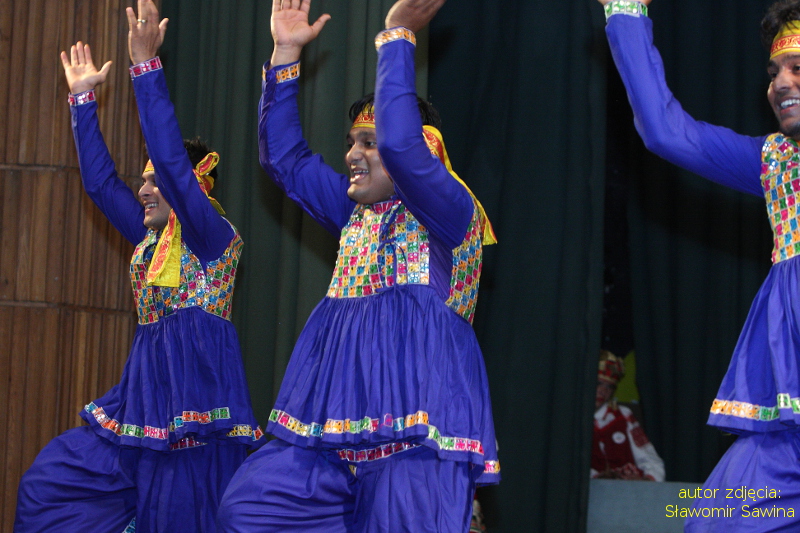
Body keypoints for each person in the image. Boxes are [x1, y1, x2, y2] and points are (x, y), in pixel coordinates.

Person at [217, 0, 499, 531]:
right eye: (351, 143)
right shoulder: (355, 216)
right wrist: (285, 54)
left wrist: (397, 36)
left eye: (368, 143)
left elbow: (401, 145)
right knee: (249, 509)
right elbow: (285, 160)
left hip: (417, 435)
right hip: (333, 431)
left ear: (425, 150)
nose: (352, 154)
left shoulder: (451, 215)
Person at [14, 2, 264, 531]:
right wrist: (83, 99)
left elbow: (172, 165)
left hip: (196, 399)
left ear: (190, 190)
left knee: (178, 518)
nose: (144, 189)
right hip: (143, 397)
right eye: (144, 180)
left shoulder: (211, 237)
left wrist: (145, 65)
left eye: (154, 182)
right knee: (50, 483)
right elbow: (100, 185)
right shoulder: (151, 241)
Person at [599, 0, 800, 528]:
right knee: (711, 519)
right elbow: (667, 132)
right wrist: (625, 11)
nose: (780, 82)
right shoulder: (776, 162)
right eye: (774, 71)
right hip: (787, 423)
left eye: (798, 67)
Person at [591, 350, 664, 481]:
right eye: (598, 384)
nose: (603, 390)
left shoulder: (623, 415)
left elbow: (651, 459)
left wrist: (644, 481)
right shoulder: (568, 417)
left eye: (610, 386)